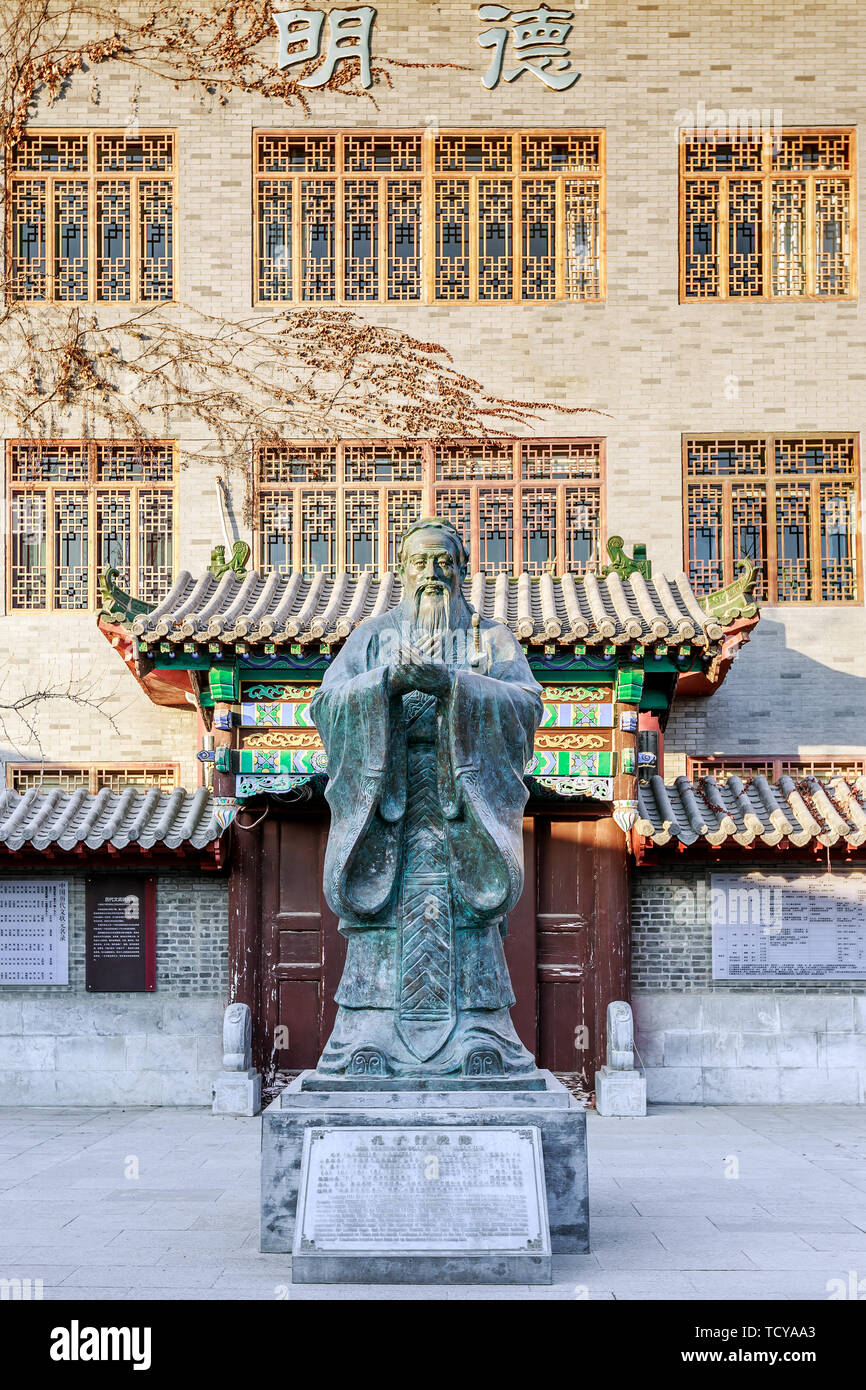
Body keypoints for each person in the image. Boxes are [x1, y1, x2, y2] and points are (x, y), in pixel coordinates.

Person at [310, 516, 543, 1078]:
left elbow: (528, 704)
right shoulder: (370, 637)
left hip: (461, 804)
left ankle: (482, 1034)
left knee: (469, 918)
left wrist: (454, 686)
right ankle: (368, 1033)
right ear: (401, 570)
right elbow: (325, 704)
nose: (433, 573)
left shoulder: (491, 639)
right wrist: (383, 685)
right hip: (387, 805)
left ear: (462, 569)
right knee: (380, 920)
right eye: (421, 561)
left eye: (445, 561)